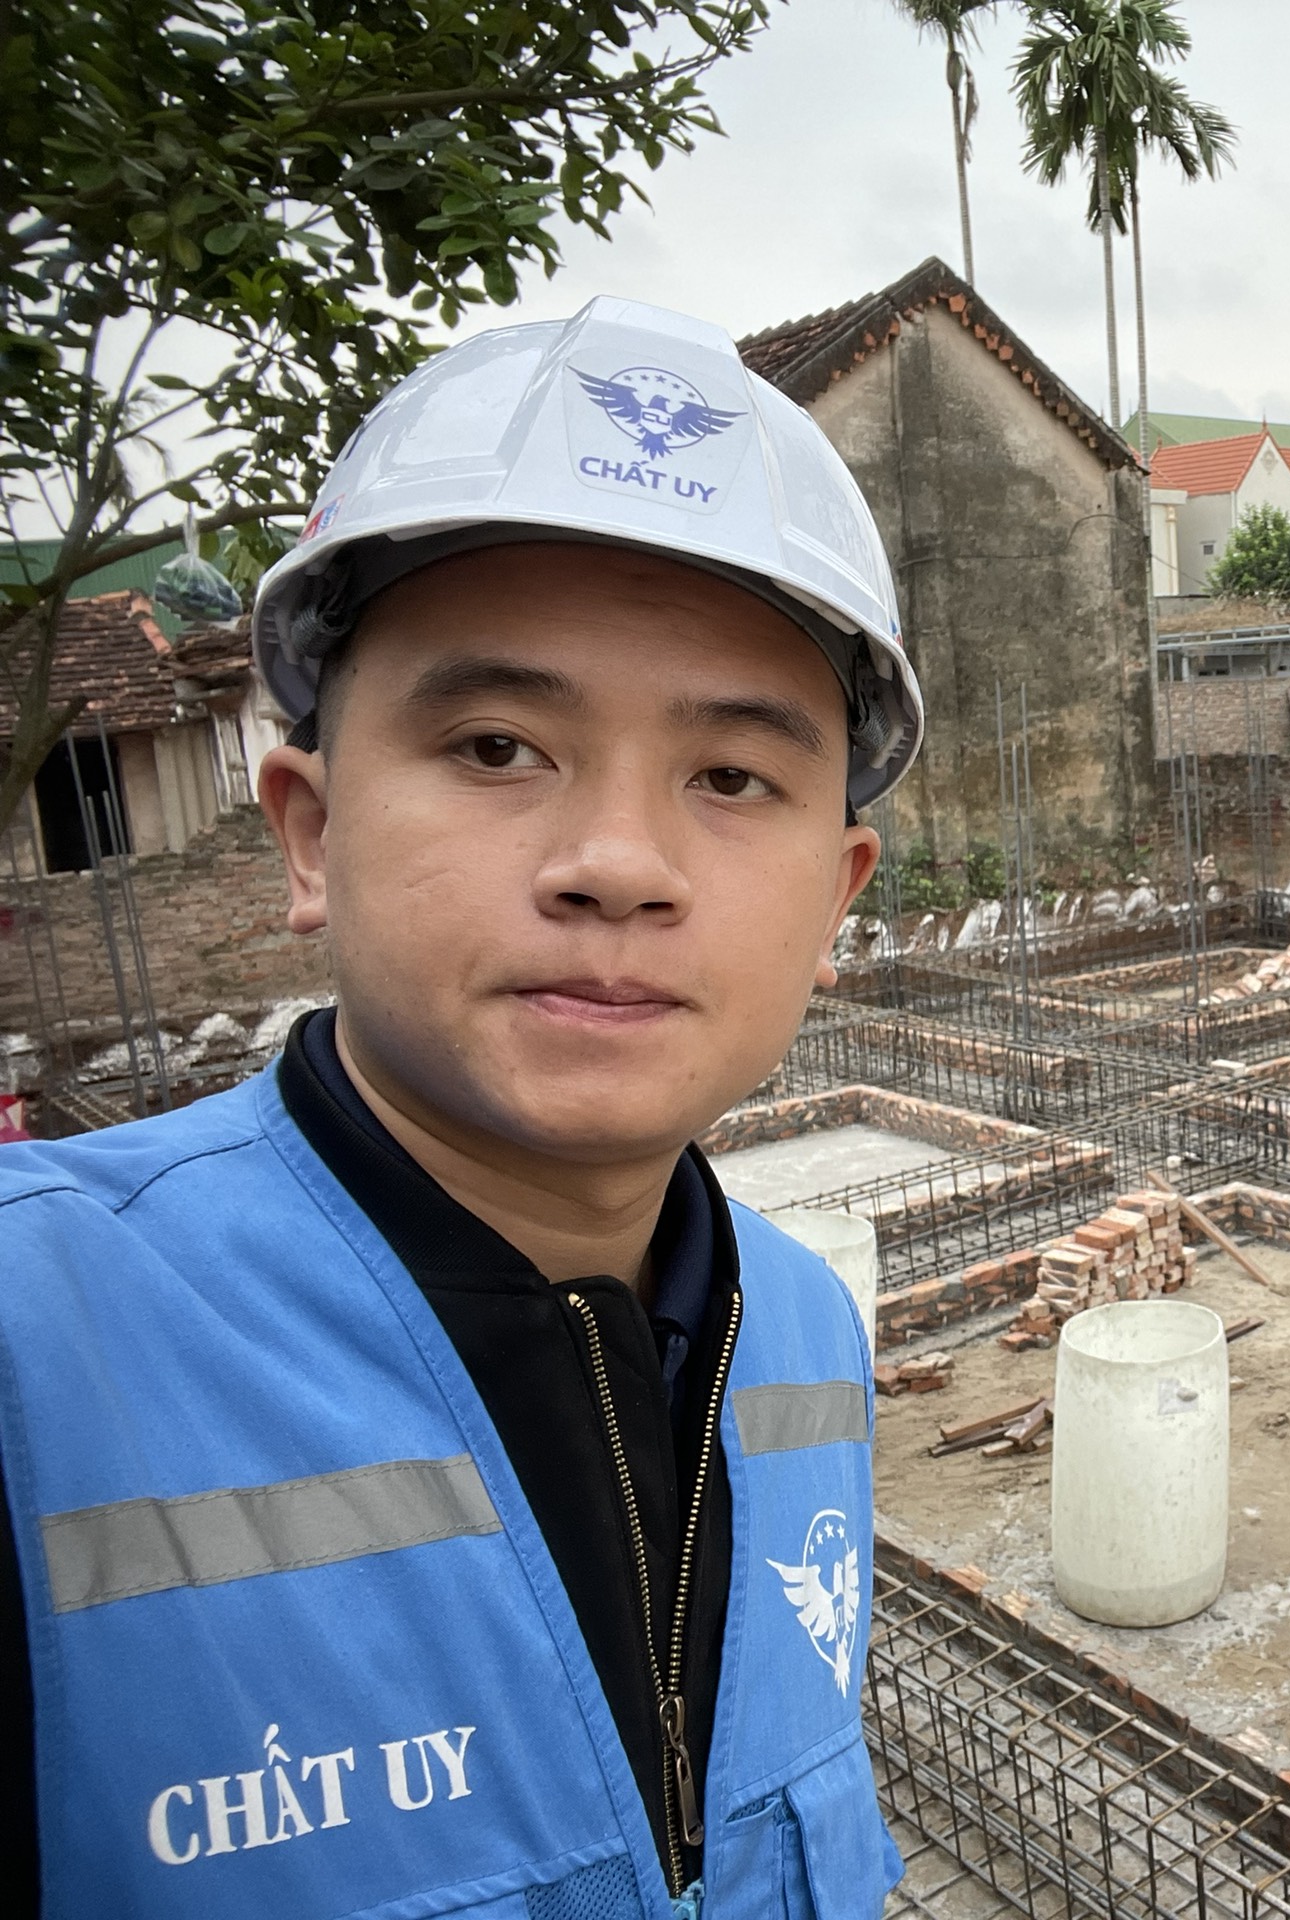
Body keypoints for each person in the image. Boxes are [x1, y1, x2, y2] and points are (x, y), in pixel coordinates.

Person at [0, 297, 925, 1918]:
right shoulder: (39, 1348)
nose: (619, 865)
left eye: (731, 777)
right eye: (498, 746)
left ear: (836, 897)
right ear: (309, 830)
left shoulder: (802, 1332)